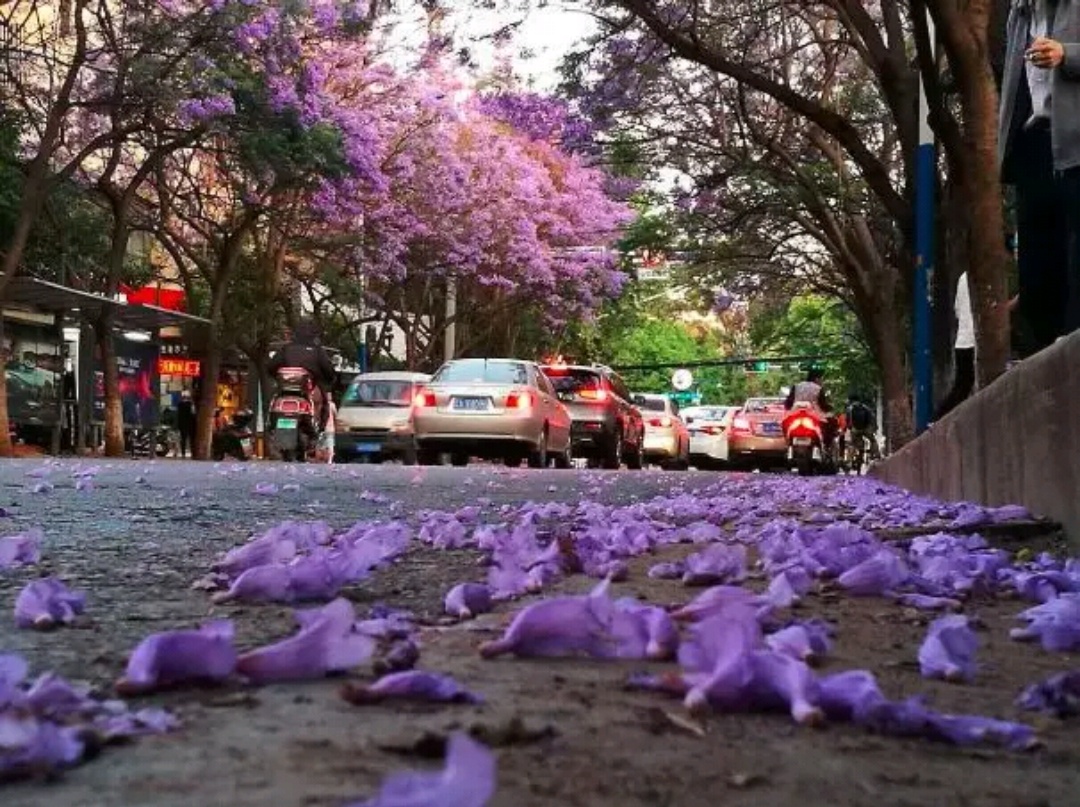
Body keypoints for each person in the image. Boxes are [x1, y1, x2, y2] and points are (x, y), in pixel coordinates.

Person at [998, 1, 1080, 354]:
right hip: (1033, 144)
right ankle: (1048, 355)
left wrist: (1068, 55)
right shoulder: (1020, 15)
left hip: (1076, 143)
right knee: (1036, 267)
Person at [268, 321, 337, 427]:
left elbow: (271, 366)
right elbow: (328, 369)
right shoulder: (317, 350)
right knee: (323, 402)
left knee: (273, 401)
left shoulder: (286, 348)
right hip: (309, 390)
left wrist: (276, 377)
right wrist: (330, 379)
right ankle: (319, 426)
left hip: (284, 391)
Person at [784, 367, 838, 451]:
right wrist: (830, 408)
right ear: (816, 379)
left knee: (784, 423)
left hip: (795, 413)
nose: (821, 381)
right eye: (821, 379)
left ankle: (787, 443)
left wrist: (788, 407)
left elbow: (788, 402)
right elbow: (823, 404)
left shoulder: (797, 386)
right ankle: (826, 447)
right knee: (830, 425)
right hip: (814, 415)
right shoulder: (818, 388)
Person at [176, 390, 196, 458]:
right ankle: (193, 452)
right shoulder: (191, 404)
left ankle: (183, 453)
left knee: (183, 439)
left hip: (182, 424)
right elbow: (193, 413)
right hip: (190, 424)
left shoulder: (179, 405)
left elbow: (178, 415)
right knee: (191, 439)